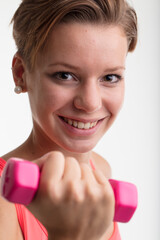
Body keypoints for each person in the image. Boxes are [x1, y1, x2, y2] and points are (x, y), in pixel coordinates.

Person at [0, 0, 138, 239]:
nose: (91, 103)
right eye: (65, 75)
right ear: (21, 74)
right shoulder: (3, 202)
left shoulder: (100, 171)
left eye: (110, 77)